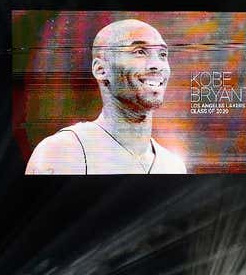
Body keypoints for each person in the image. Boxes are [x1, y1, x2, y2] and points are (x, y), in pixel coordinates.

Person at [25, 19, 187, 175]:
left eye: (163, 54)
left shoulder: (173, 165)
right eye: (139, 52)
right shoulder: (62, 152)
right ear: (101, 70)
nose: (157, 64)